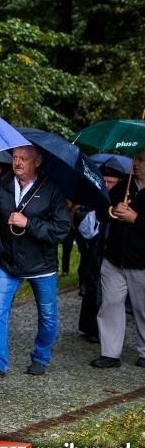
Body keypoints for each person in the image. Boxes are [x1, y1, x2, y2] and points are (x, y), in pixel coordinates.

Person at [0, 145, 71, 378]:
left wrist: (28, 223)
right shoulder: (3, 185)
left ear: (37, 162)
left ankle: (41, 356)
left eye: (24, 159)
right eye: (15, 158)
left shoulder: (51, 188)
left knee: (47, 315)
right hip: (7, 262)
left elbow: (61, 228)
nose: (17, 163)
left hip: (41, 266)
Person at [91, 149, 145, 369]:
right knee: (110, 305)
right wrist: (114, 210)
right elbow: (101, 211)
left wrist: (135, 218)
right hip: (114, 259)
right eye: (135, 159)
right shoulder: (125, 185)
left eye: (141, 160)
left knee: (143, 309)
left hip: (141, 262)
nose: (136, 164)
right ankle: (110, 353)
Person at [74, 164, 124, 343]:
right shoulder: (93, 196)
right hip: (92, 252)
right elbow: (81, 220)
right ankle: (89, 327)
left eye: (112, 182)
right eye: (105, 181)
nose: (108, 185)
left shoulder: (123, 199)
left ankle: (104, 331)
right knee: (92, 288)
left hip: (111, 251)